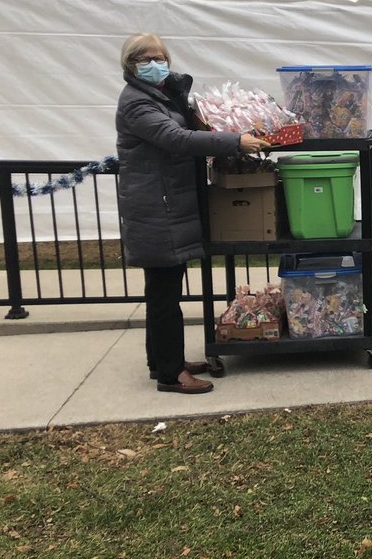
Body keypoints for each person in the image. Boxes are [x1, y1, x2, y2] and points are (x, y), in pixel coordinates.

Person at [115, 33, 269, 394]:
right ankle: (171, 374)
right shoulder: (138, 104)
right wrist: (235, 140)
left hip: (166, 204)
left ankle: (163, 362)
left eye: (159, 57)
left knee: (163, 293)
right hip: (157, 208)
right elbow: (177, 140)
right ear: (131, 65)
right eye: (146, 58)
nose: (155, 64)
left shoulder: (161, 97)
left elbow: (184, 130)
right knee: (165, 297)